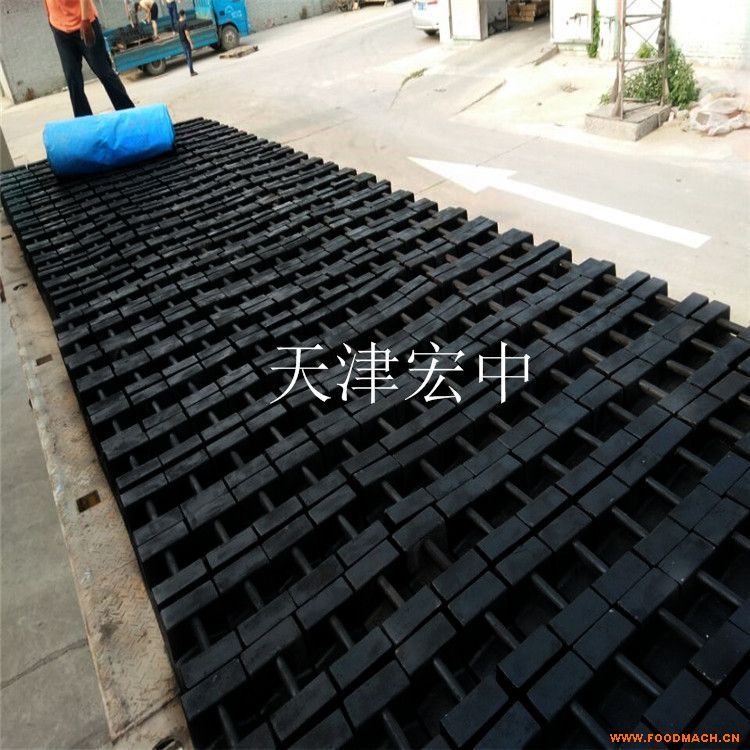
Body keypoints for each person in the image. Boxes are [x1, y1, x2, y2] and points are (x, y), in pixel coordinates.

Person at [44, 0, 135, 118]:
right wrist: (49, 17)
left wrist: (85, 20)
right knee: (72, 78)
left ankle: (128, 115)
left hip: (85, 22)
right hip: (60, 29)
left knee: (104, 72)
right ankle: (84, 121)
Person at [178, 9, 198, 77]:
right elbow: (187, 34)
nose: (185, 16)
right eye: (185, 15)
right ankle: (191, 72)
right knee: (189, 57)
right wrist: (191, 43)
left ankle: (191, 70)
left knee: (187, 57)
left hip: (182, 41)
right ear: (183, 15)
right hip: (186, 42)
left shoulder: (178, 23)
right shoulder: (184, 23)